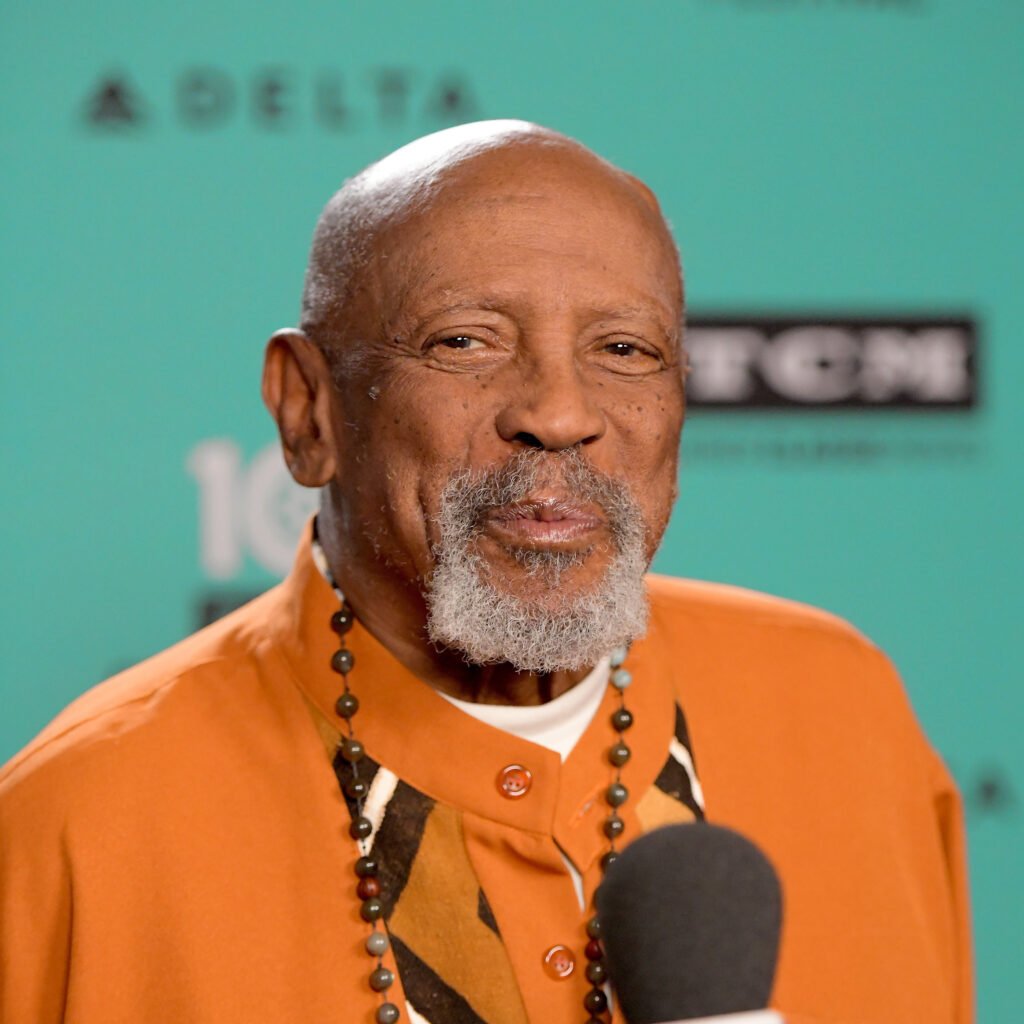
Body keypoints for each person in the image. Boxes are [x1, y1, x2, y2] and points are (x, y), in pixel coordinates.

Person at [0, 121, 971, 1024]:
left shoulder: (845, 711)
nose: (557, 411)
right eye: (465, 340)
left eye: (624, 350)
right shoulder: (74, 829)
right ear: (308, 411)